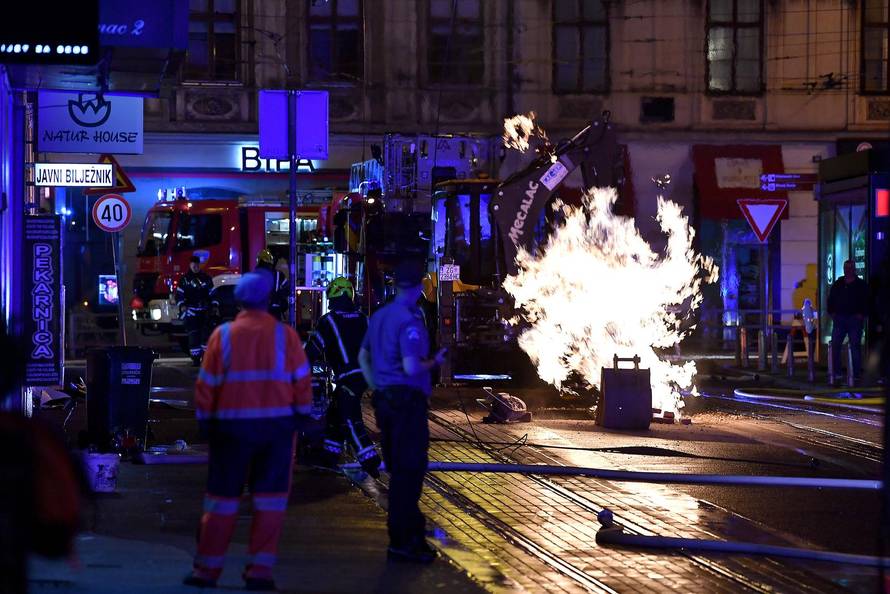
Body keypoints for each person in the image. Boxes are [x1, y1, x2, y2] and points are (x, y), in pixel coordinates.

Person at [186, 272, 313, 591]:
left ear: (238, 300)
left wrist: (205, 422)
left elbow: (207, 386)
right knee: (270, 502)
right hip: (277, 431)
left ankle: (207, 571)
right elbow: (302, 382)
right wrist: (302, 416)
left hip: (231, 430)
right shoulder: (285, 336)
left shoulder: (223, 336)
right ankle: (259, 572)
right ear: (268, 300)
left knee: (221, 501)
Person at [358, 259, 446, 564]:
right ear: (419, 286)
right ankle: (405, 541)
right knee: (410, 475)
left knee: (398, 473)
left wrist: (376, 387)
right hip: (407, 405)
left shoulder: (380, 316)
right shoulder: (409, 321)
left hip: (385, 403)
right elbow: (410, 366)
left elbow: (363, 356)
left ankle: (407, 538)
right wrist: (434, 362)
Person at [305, 277, 381, 476]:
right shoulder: (364, 318)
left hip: (348, 378)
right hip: (367, 376)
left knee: (349, 418)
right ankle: (329, 455)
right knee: (335, 413)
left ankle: (370, 459)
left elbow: (313, 351)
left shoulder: (328, 321)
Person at [827, 259, 869, 382]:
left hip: (854, 319)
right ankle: (838, 372)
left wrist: (862, 314)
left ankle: (856, 373)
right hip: (840, 318)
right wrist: (832, 312)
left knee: (855, 346)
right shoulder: (839, 283)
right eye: (846, 268)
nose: (848, 270)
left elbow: (866, 300)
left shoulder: (860, 285)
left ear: (854, 269)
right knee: (835, 344)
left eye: (850, 268)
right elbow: (831, 298)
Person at [175, 256, 214, 365]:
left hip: (204, 312)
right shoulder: (185, 280)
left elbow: (212, 293)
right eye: (193, 265)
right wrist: (182, 305)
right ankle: (196, 359)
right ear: (190, 265)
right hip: (191, 313)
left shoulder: (206, 278)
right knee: (193, 336)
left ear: (199, 265)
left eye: (197, 265)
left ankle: (206, 359)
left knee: (205, 336)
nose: (195, 267)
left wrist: (214, 306)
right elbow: (179, 295)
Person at [255, 249, 288, 321]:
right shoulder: (279, 274)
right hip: (275, 312)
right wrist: (279, 298)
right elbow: (287, 289)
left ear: (259, 261)